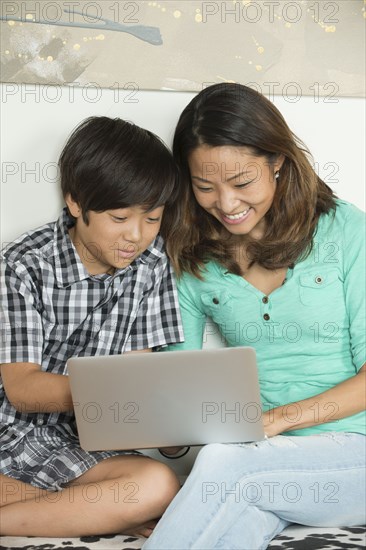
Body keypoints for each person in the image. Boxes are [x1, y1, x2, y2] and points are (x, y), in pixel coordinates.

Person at [143, 83, 366, 549]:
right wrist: (168, 430)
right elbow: (180, 379)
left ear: (278, 161)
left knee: (227, 463)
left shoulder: (347, 230)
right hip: (267, 459)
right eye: (205, 187)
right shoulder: (192, 257)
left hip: (353, 451)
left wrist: (279, 420)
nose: (225, 204)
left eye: (242, 183)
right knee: (235, 521)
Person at [0, 116, 185, 537]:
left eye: (153, 219)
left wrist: (169, 422)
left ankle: (66, 510)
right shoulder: (22, 265)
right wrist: (116, 391)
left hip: (74, 444)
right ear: (76, 203)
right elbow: (23, 390)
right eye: (119, 218)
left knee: (158, 484)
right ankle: (81, 511)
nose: (136, 236)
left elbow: (138, 378)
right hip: (7, 432)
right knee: (137, 500)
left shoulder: (152, 268)